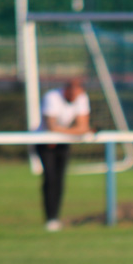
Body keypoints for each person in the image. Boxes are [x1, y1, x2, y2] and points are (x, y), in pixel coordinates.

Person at [36, 79, 92, 232]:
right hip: (44, 142)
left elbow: (83, 126)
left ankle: (54, 218)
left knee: (60, 179)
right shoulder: (52, 97)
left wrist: (66, 133)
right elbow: (51, 126)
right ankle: (50, 218)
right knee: (50, 178)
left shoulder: (82, 98)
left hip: (63, 142)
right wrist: (75, 132)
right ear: (66, 90)